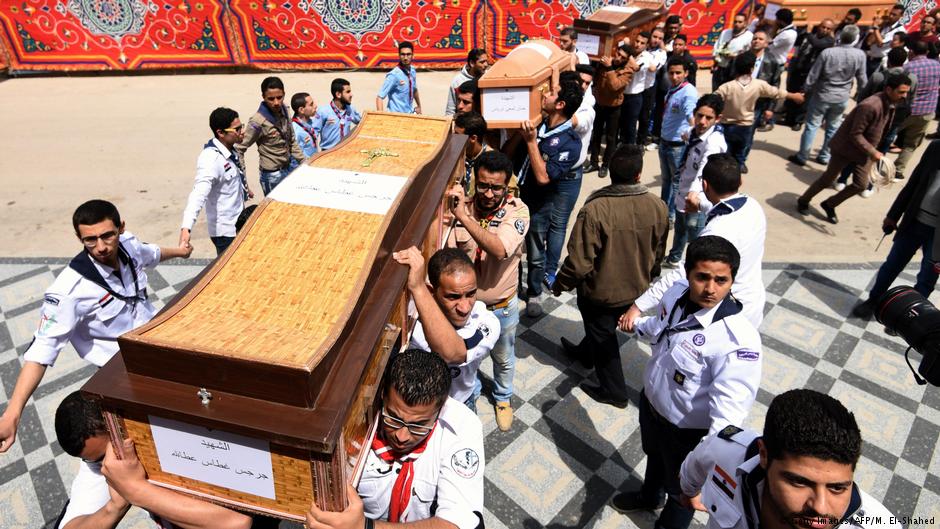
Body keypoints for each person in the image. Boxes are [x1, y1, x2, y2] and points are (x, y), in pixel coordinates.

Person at [0, 200, 192, 453]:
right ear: (79, 238)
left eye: (107, 236)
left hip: (156, 344)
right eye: (89, 240)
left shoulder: (129, 246)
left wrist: (181, 252)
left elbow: (151, 254)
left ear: (121, 228)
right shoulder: (68, 291)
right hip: (122, 371)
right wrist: (13, 413)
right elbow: (41, 351)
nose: (100, 247)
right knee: (151, 435)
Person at [610, 235, 762, 529]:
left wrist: (704, 465)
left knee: (682, 492)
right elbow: (660, 328)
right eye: (702, 277)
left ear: (732, 280)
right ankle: (648, 496)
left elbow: (727, 420)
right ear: (688, 273)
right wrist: (635, 325)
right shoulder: (677, 295)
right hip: (652, 406)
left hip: (687, 434)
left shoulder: (737, 341)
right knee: (653, 456)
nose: (710, 289)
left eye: (721, 280)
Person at [305, 349, 484, 528]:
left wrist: (365, 527)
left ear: (440, 409)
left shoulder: (462, 427)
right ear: (382, 394)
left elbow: (458, 524)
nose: (401, 436)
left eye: (418, 425)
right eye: (393, 418)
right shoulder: (355, 417)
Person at [679, 389, 900, 529]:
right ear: (764, 455)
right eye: (799, 482)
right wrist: (689, 491)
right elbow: (696, 462)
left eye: (838, 488)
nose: (821, 509)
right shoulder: (726, 450)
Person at [553, 144, 668, 407]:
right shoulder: (658, 205)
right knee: (599, 329)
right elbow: (658, 252)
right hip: (637, 288)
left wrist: (561, 283)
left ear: (611, 173)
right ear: (638, 175)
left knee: (603, 334)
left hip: (600, 294)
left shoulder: (595, 209)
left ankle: (614, 391)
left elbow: (580, 262)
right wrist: (650, 277)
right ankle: (584, 354)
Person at [53, 391, 252, 529]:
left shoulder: (171, 433)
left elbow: (237, 523)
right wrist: (114, 508)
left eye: (104, 456)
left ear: (120, 427)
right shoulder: (100, 460)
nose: (104, 466)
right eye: (93, 461)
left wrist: (135, 491)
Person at [623, 154, 767, 333]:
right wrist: (701, 205)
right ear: (740, 181)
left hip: (724, 314)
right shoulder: (752, 206)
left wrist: (638, 306)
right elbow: (724, 210)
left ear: (704, 185)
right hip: (752, 303)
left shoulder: (716, 231)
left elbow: (683, 272)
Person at [446, 151, 528, 430]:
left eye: (497, 187)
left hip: (500, 307)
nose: (489, 193)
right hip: (466, 310)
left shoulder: (518, 211)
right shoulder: (461, 207)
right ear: (474, 182)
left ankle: (503, 398)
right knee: (468, 359)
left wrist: (464, 218)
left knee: (503, 358)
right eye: (483, 185)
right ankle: (473, 394)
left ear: (507, 186)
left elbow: (499, 249)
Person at [797, 74, 912, 224]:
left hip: (865, 151)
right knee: (827, 180)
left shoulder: (891, 103)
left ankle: (829, 204)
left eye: (906, 92)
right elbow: (855, 134)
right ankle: (804, 200)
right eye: (901, 92)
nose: (905, 96)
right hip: (845, 148)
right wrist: (873, 152)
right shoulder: (870, 105)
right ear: (889, 89)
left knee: (861, 185)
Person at [394, 247, 499, 409]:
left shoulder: (486, 321)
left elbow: (452, 353)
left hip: (461, 403)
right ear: (432, 291)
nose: (464, 308)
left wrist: (418, 287)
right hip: (418, 410)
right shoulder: (411, 313)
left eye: (471, 294)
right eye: (453, 297)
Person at [852, 140, 940, 319]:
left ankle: (910, 317)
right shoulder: (936, 147)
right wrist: (893, 215)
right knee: (892, 265)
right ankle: (874, 300)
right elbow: (913, 183)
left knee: (927, 278)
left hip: (938, 235)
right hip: (914, 222)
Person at [517, 81, 583, 317]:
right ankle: (512, 288)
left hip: (538, 204)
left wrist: (531, 142)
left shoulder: (570, 143)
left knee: (535, 254)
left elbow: (544, 177)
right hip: (517, 197)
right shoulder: (537, 122)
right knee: (511, 247)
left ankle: (534, 293)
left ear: (560, 104)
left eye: (552, 92)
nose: (545, 93)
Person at [787, 25, 867, 167]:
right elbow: (862, 78)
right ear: (856, 39)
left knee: (812, 125)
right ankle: (825, 155)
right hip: (842, 97)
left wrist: (805, 89)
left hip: (822, 94)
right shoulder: (860, 55)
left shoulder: (827, 53)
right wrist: (863, 94)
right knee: (833, 127)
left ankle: (802, 156)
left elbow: (813, 74)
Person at [664, 94, 727, 267]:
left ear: (718, 118)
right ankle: (675, 257)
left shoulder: (714, 142)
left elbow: (704, 169)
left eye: (709, 118)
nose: (702, 121)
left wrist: (693, 193)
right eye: (699, 115)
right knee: (680, 228)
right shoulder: (695, 132)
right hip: (683, 189)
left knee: (695, 235)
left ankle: (696, 265)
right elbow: (687, 135)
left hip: (697, 196)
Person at [180, 107, 253, 257]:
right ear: (220, 133)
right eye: (237, 129)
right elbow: (198, 194)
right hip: (226, 233)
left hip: (238, 223)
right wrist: (186, 227)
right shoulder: (211, 160)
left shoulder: (230, 149)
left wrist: (245, 189)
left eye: (241, 126)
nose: (242, 132)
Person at [716, 51, 803, 174]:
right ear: (752, 68)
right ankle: (737, 173)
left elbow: (713, 100)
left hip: (727, 126)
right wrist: (794, 96)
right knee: (739, 155)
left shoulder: (727, 87)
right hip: (745, 127)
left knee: (724, 154)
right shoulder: (758, 85)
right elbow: (776, 92)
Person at [235, 76, 306, 195]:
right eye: (271, 99)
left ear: (284, 93)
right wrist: (243, 182)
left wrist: (304, 162)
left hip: (288, 169)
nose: (276, 102)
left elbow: (291, 140)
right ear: (263, 97)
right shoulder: (257, 121)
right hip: (272, 176)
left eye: (279, 97)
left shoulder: (285, 110)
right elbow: (239, 148)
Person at [658, 56, 699, 224]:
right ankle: (663, 211)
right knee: (666, 181)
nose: (674, 77)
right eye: (671, 73)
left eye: (678, 73)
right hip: (665, 142)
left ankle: (671, 216)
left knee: (676, 183)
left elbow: (691, 115)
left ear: (686, 73)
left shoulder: (688, 92)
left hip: (677, 146)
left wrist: (692, 132)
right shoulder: (673, 89)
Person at [588, 44, 637, 177]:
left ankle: (606, 165)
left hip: (613, 107)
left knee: (611, 137)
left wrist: (609, 68)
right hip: (599, 103)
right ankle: (593, 162)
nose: (618, 58)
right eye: (618, 53)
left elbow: (615, 86)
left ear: (627, 60)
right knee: (596, 134)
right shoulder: (605, 61)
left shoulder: (628, 71)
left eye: (622, 57)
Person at [895, 40, 940, 180]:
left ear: (911, 51)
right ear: (926, 52)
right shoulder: (937, 65)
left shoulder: (908, 67)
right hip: (927, 112)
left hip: (907, 111)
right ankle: (898, 170)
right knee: (911, 144)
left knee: (885, 137)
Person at [782, 19, 835, 129]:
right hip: (799, 69)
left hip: (811, 74)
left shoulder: (829, 41)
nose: (825, 30)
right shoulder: (811, 35)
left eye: (828, 28)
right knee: (792, 92)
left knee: (804, 97)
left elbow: (816, 45)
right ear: (819, 26)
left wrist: (808, 31)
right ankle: (789, 118)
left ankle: (798, 121)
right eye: (823, 27)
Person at [755, 9, 797, 131]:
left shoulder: (787, 34)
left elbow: (769, 44)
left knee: (770, 92)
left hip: (775, 64)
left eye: (777, 19)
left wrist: (771, 29)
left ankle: (768, 120)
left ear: (781, 21)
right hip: (772, 62)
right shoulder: (786, 30)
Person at [638, 27, 668, 146]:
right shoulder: (641, 46)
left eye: (660, 38)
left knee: (644, 117)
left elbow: (653, 68)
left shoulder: (661, 54)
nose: (656, 40)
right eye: (654, 36)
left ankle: (640, 142)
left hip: (648, 88)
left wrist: (643, 56)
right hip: (635, 86)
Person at [620, 32, 651, 146]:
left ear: (646, 46)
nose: (638, 45)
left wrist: (627, 52)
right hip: (622, 93)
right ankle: (622, 145)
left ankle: (630, 148)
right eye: (637, 41)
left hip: (635, 96)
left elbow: (636, 67)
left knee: (631, 124)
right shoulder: (630, 52)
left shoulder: (647, 57)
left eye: (642, 43)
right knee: (622, 122)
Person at [314, 78, 362, 151]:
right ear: (338, 94)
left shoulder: (351, 109)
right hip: (328, 152)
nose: (351, 94)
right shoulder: (323, 111)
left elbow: (361, 122)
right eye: (348, 92)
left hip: (345, 151)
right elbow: (314, 133)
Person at [712, 13, 754, 92]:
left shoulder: (749, 36)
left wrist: (735, 56)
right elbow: (716, 46)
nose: (736, 24)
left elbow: (749, 56)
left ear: (745, 23)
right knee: (717, 92)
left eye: (740, 22)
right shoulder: (725, 32)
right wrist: (716, 58)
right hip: (720, 68)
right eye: (735, 21)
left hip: (734, 70)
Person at [376, 41, 421, 114]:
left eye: (408, 54)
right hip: (396, 117)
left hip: (409, 114)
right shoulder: (394, 75)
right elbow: (379, 97)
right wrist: (381, 118)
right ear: (399, 55)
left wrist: (419, 106)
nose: (405, 58)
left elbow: (414, 89)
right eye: (403, 54)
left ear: (413, 55)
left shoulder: (412, 71)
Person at [454, 111, 493, 192]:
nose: (454, 138)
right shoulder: (453, 156)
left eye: (457, 135)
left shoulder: (493, 160)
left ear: (473, 138)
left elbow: (510, 191)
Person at [864, 4, 906, 76]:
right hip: (869, 58)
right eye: (890, 13)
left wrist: (876, 28)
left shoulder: (899, 31)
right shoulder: (884, 25)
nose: (891, 16)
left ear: (901, 16)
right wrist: (879, 27)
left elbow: (881, 44)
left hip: (879, 62)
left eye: (894, 15)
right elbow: (869, 42)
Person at [446, 48, 488, 116]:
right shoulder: (457, 81)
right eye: (482, 62)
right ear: (472, 63)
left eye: (486, 61)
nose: (486, 65)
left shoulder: (488, 78)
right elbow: (450, 111)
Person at [290, 91, 319, 158]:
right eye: (311, 104)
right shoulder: (295, 130)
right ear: (301, 110)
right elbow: (294, 156)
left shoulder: (310, 122)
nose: (315, 106)